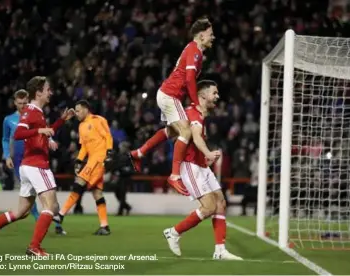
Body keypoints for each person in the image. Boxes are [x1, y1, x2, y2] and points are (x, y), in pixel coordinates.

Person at [0, 76, 74, 256]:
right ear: (38, 92)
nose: (50, 92)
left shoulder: (37, 112)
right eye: (47, 89)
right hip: (37, 165)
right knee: (51, 206)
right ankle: (34, 247)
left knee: (21, 212)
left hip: (28, 166)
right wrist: (39, 130)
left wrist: (61, 120)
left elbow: (46, 132)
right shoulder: (31, 111)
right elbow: (19, 133)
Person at [129, 17, 215, 195]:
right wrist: (194, 102)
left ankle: (138, 153)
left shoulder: (196, 51)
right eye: (210, 34)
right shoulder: (194, 51)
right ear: (201, 35)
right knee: (186, 131)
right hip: (170, 94)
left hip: (169, 94)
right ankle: (175, 176)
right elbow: (190, 78)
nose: (213, 37)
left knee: (173, 131)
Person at [163, 80, 242, 260]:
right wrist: (207, 152)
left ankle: (220, 250)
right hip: (190, 166)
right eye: (214, 93)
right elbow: (197, 137)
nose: (217, 97)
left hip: (201, 165)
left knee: (220, 202)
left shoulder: (199, 115)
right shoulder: (193, 114)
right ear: (202, 95)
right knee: (209, 207)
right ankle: (174, 232)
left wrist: (205, 157)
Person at [1, 89, 65, 234]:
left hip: (34, 157)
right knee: (43, 202)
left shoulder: (32, 114)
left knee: (28, 205)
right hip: (22, 160)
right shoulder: (9, 119)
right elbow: (6, 139)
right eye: (19, 103)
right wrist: (7, 156)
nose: (23, 105)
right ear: (14, 103)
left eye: (25, 102)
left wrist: (50, 139)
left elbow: (43, 131)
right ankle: (41, 223)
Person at [58, 100, 113, 235]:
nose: (76, 113)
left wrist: (109, 152)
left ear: (85, 109)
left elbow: (108, 136)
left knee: (79, 184)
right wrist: (78, 160)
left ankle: (60, 215)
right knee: (97, 193)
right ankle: (104, 226)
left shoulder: (98, 120)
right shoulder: (81, 126)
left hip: (99, 159)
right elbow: (84, 147)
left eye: (77, 110)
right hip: (90, 160)